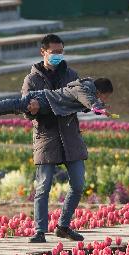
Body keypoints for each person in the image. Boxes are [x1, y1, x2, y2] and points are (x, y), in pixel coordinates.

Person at [20, 34, 90, 243]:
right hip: (46, 138)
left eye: (61, 51)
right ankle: (39, 231)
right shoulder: (32, 79)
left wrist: (89, 104)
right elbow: (25, 108)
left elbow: (81, 99)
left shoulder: (71, 75)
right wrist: (33, 109)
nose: (58, 55)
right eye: (54, 52)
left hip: (70, 136)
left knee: (78, 184)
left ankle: (63, 226)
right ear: (43, 52)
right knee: (43, 187)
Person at [0, 77, 115, 126]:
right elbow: (90, 103)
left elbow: (86, 105)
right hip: (46, 100)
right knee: (20, 105)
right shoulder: (83, 90)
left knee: (19, 108)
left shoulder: (87, 91)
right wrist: (101, 110)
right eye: (105, 96)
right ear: (99, 92)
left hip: (50, 104)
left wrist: (101, 107)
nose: (105, 99)